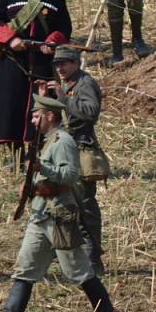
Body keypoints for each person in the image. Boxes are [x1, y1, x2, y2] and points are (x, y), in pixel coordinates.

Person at [0, 95, 119, 312]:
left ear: (50, 116)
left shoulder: (63, 141)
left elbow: (71, 175)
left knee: (78, 270)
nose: (32, 120)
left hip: (59, 215)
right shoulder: (48, 140)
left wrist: (42, 168)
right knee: (27, 265)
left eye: (36, 116)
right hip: (41, 213)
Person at [0, 0, 71, 153]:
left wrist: (51, 41)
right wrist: (11, 39)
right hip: (12, 59)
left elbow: (64, 28)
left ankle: (36, 152)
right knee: (11, 104)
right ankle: (14, 153)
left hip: (42, 60)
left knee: (41, 106)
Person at [44, 46, 110, 276]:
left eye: (64, 63)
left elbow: (91, 112)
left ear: (76, 63)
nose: (60, 68)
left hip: (81, 149)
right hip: (65, 149)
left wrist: (63, 100)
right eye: (57, 64)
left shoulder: (85, 83)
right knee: (61, 202)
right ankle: (62, 251)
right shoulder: (68, 84)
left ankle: (93, 257)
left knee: (85, 205)